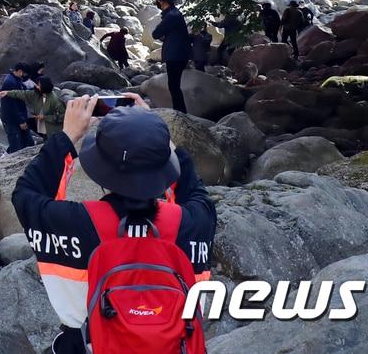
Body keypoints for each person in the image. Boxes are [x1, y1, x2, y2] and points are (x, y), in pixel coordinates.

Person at [11, 94, 216, 354]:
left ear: (100, 168)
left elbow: (26, 194)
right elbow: (194, 190)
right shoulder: (195, 222)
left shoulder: (74, 222)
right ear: (165, 167)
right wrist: (157, 137)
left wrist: (67, 136)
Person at [152, 0, 191, 114]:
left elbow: (155, 33)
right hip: (179, 53)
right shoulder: (175, 13)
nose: (157, 2)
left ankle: (180, 112)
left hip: (175, 55)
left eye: (158, 0)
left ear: (163, 1)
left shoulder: (171, 16)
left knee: (174, 86)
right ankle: (180, 111)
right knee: (174, 85)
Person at [0, 75, 66, 137]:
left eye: (38, 85)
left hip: (52, 131)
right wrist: (8, 93)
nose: (36, 86)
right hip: (41, 127)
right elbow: (24, 94)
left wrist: (45, 117)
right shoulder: (36, 94)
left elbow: (62, 116)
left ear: (44, 86)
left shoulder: (55, 99)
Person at [0, 63, 36, 151]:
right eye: (25, 74)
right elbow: (11, 106)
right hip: (12, 120)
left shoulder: (16, 79)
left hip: (18, 118)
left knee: (28, 143)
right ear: (20, 71)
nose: (26, 77)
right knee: (16, 146)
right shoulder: (10, 82)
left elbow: (23, 92)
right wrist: (21, 121)